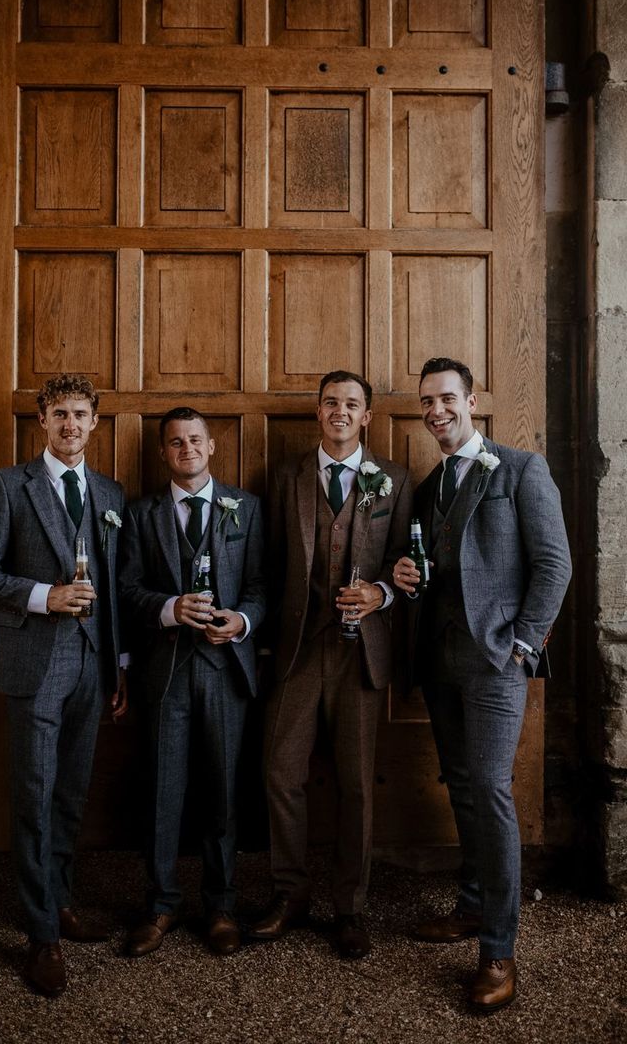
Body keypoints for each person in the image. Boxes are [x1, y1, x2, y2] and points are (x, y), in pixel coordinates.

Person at [392, 356, 571, 1013]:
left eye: (446, 399)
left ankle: (498, 950)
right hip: (440, 662)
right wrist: (407, 577)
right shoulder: (428, 484)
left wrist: (524, 647)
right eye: (426, 403)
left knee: (492, 790)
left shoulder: (521, 469)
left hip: (498, 663)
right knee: (462, 786)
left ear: (471, 401)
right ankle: (470, 905)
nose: (436, 411)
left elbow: (556, 563)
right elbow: (435, 564)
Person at [0, 374, 126, 998]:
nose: (71, 424)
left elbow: (113, 588)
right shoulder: (9, 485)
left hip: (91, 667)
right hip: (35, 663)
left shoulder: (109, 491)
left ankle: (58, 900)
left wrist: (119, 668)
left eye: (81, 414)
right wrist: (43, 596)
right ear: (42, 421)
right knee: (34, 795)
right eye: (60, 414)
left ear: (93, 422)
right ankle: (40, 935)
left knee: (71, 794)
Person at [250, 370, 412, 959]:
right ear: (317, 413)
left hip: (360, 650)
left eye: (351, 404)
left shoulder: (393, 479)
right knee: (280, 772)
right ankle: (290, 893)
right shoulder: (287, 476)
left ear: (366, 416)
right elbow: (268, 566)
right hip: (298, 649)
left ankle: (350, 908)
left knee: (355, 785)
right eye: (330, 403)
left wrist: (381, 595)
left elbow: (403, 563)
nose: (340, 412)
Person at [118, 407, 265, 957]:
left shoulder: (246, 508)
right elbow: (126, 590)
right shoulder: (139, 515)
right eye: (176, 442)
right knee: (163, 790)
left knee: (224, 792)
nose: (187, 449)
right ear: (163, 452)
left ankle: (221, 905)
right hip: (166, 672)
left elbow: (261, 585)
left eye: (196, 440)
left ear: (212, 446)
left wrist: (243, 621)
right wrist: (168, 608)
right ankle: (161, 904)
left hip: (226, 670)